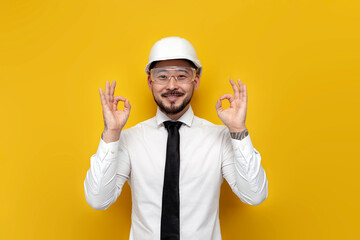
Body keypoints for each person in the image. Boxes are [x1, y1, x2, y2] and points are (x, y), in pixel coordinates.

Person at [84, 36, 268, 240]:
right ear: (150, 81)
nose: (172, 85)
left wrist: (237, 130)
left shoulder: (220, 138)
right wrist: (111, 134)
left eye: (181, 76)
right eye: (162, 76)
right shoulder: (129, 139)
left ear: (195, 81)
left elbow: (254, 195)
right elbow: (98, 199)